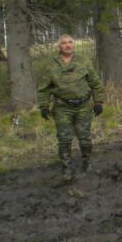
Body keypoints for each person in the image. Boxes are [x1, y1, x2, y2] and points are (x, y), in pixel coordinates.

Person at [38, 34, 105, 182]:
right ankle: (66, 169)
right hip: (62, 107)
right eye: (64, 43)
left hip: (83, 106)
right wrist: (43, 106)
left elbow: (95, 83)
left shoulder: (83, 61)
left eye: (70, 42)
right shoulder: (51, 65)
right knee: (64, 139)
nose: (67, 45)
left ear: (73, 45)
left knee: (85, 138)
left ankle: (87, 164)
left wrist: (98, 102)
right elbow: (44, 88)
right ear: (59, 46)